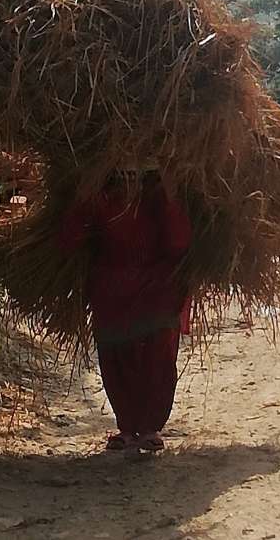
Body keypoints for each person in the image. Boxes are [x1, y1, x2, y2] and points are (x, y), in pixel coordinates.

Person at [58, 171, 192, 452]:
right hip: (111, 291)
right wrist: (84, 194)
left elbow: (178, 242)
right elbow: (70, 239)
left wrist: (170, 192)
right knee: (116, 356)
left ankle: (150, 427)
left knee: (157, 355)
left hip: (157, 288)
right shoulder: (100, 194)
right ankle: (128, 426)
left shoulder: (158, 192)